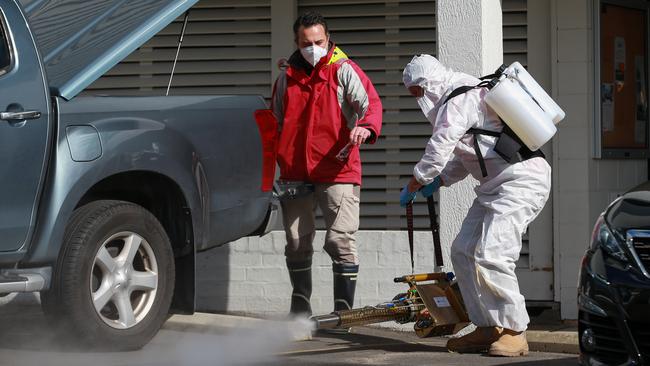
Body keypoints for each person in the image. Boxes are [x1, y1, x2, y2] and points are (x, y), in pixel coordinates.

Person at [399, 54, 551, 357]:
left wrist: (417, 180)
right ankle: (487, 326)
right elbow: (468, 155)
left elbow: (440, 146)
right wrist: (439, 181)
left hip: (521, 181)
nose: (417, 99)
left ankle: (514, 330)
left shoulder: (458, 98)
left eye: (416, 91)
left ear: (428, 83)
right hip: (495, 186)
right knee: (463, 250)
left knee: (492, 252)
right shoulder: (462, 96)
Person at [271, 11, 382, 320]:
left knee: (340, 240)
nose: (313, 47)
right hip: (294, 173)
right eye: (306, 43)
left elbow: (370, 104)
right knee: (296, 242)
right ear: (297, 42)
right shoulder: (286, 79)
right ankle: (300, 307)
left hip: (338, 170)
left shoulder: (344, 71)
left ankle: (343, 314)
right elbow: (274, 123)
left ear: (328, 39)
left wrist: (367, 128)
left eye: (319, 41)